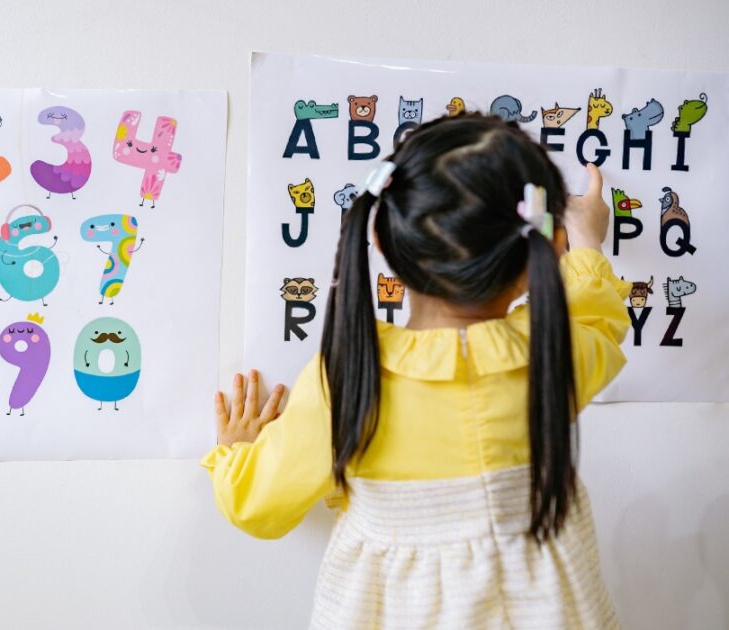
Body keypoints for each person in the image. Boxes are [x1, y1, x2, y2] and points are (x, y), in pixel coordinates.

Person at [202, 114, 631, 628]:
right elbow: (596, 316)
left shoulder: (346, 377)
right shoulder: (554, 352)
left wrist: (237, 452)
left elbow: (259, 503)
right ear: (543, 249)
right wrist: (586, 242)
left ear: (381, 241)